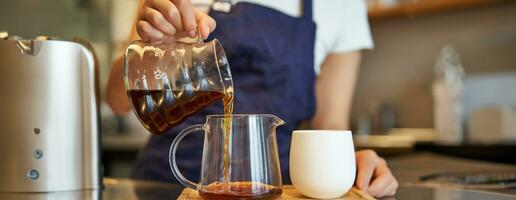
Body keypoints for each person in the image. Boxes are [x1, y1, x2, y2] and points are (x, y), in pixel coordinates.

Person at [106, 0, 398, 197]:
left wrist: (348, 165)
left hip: (274, 188)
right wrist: (152, 52)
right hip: (163, 185)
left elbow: (330, 123)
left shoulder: (342, 6)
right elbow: (117, 101)